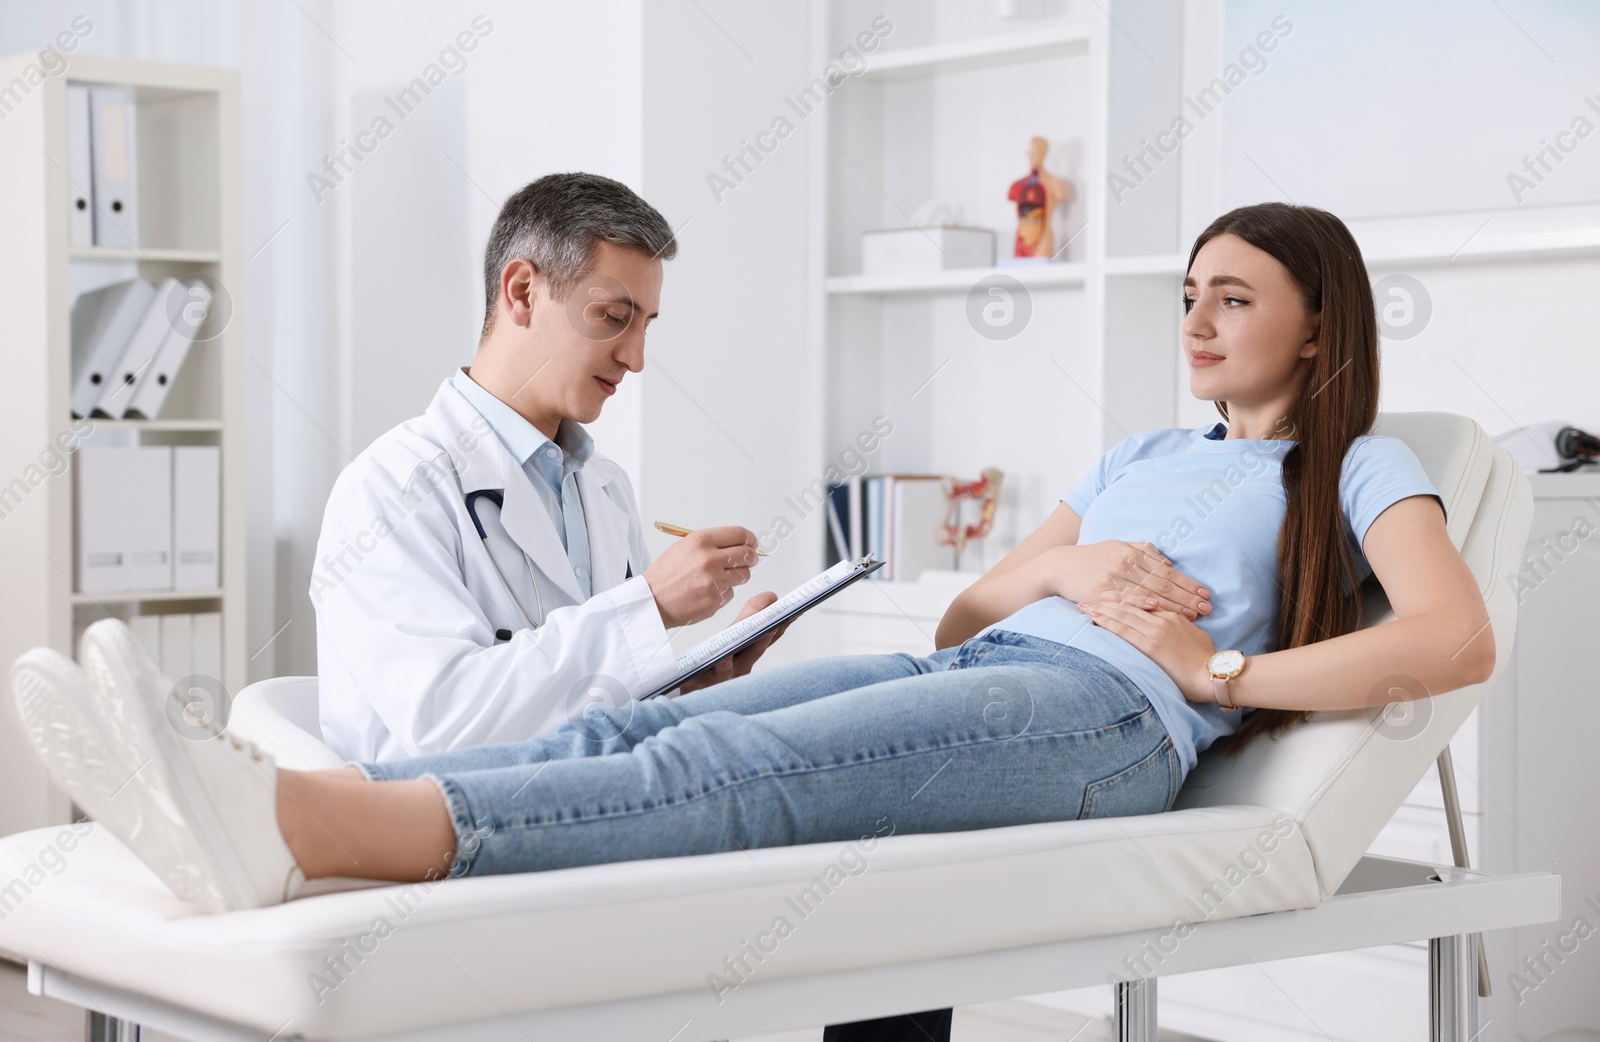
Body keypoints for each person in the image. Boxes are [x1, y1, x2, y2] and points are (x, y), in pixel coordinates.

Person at [15, 203, 1497, 1038]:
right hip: (1001, 660)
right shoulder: (1137, 460)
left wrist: (1214, 663)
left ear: (1321, 321)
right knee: (641, 724)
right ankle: (268, 803)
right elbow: (974, 604)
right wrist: (1061, 566)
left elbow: (1451, 639)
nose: (1195, 319)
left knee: (721, 780)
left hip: (1103, 723)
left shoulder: (1360, 459)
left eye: (1232, 298)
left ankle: (290, 821)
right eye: (1187, 292)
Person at [310, 172, 786, 764]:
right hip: (450, 835)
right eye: (614, 317)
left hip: (598, 813)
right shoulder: (387, 490)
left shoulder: (605, 489)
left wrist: (688, 690)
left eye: (645, 327)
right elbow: (444, 722)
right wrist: (649, 607)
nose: (635, 359)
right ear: (522, 292)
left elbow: (591, 702)